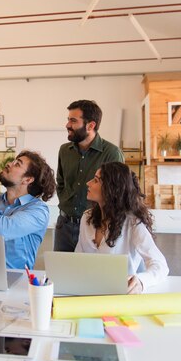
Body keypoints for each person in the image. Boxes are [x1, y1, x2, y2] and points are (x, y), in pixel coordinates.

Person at [75, 162, 169, 294]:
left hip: (120, 295)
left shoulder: (133, 223)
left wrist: (141, 281)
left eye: (96, 180)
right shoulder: (87, 218)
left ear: (111, 189)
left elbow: (160, 265)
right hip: (88, 291)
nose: (88, 183)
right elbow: (78, 258)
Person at [54, 100, 124, 252]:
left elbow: (118, 192)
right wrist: (65, 201)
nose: (67, 125)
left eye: (73, 120)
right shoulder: (64, 150)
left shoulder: (112, 153)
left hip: (95, 226)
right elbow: (60, 182)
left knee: (89, 273)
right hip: (64, 225)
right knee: (60, 273)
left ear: (91, 125)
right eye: (68, 120)